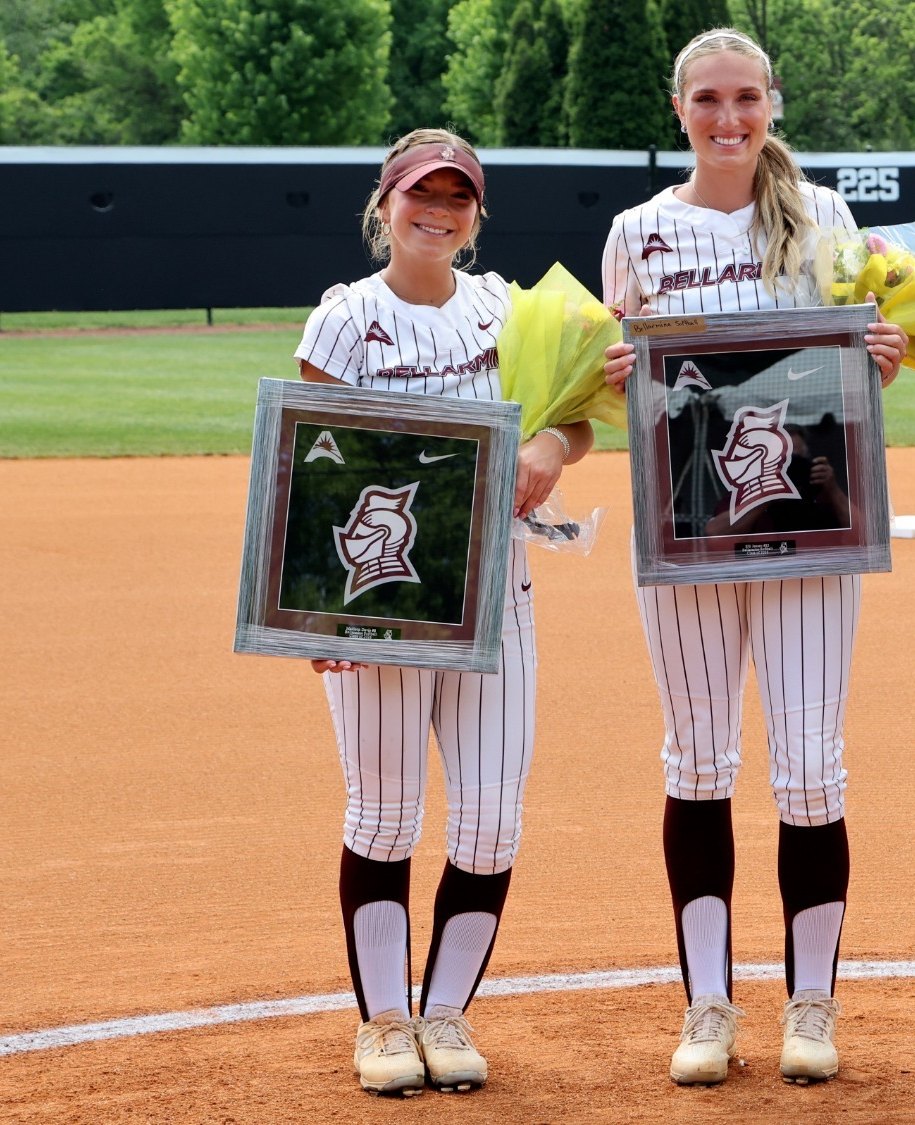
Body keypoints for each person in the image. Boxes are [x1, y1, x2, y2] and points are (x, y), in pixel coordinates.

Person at [597, 27, 908, 1088]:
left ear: (772, 102)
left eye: (746, 99)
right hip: (688, 530)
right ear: (677, 109)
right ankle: (709, 1004)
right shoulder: (637, 230)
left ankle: (810, 1004)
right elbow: (625, 389)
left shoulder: (823, 216)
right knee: (695, 761)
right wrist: (610, 372)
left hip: (811, 522)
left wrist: (884, 354)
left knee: (811, 767)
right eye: (708, 101)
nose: (728, 119)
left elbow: (853, 374)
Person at [294, 129, 594, 1096]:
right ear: (385, 205)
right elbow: (312, 462)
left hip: (495, 594)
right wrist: (315, 614)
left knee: (492, 822)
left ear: (476, 213)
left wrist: (553, 440)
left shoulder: (507, 307)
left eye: (457, 195)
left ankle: (448, 1013)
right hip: (381, 597)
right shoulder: (346, 318)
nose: (439, 208)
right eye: (421, 191)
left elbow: (579, 409)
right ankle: (384, 1023)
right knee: (384, 817)